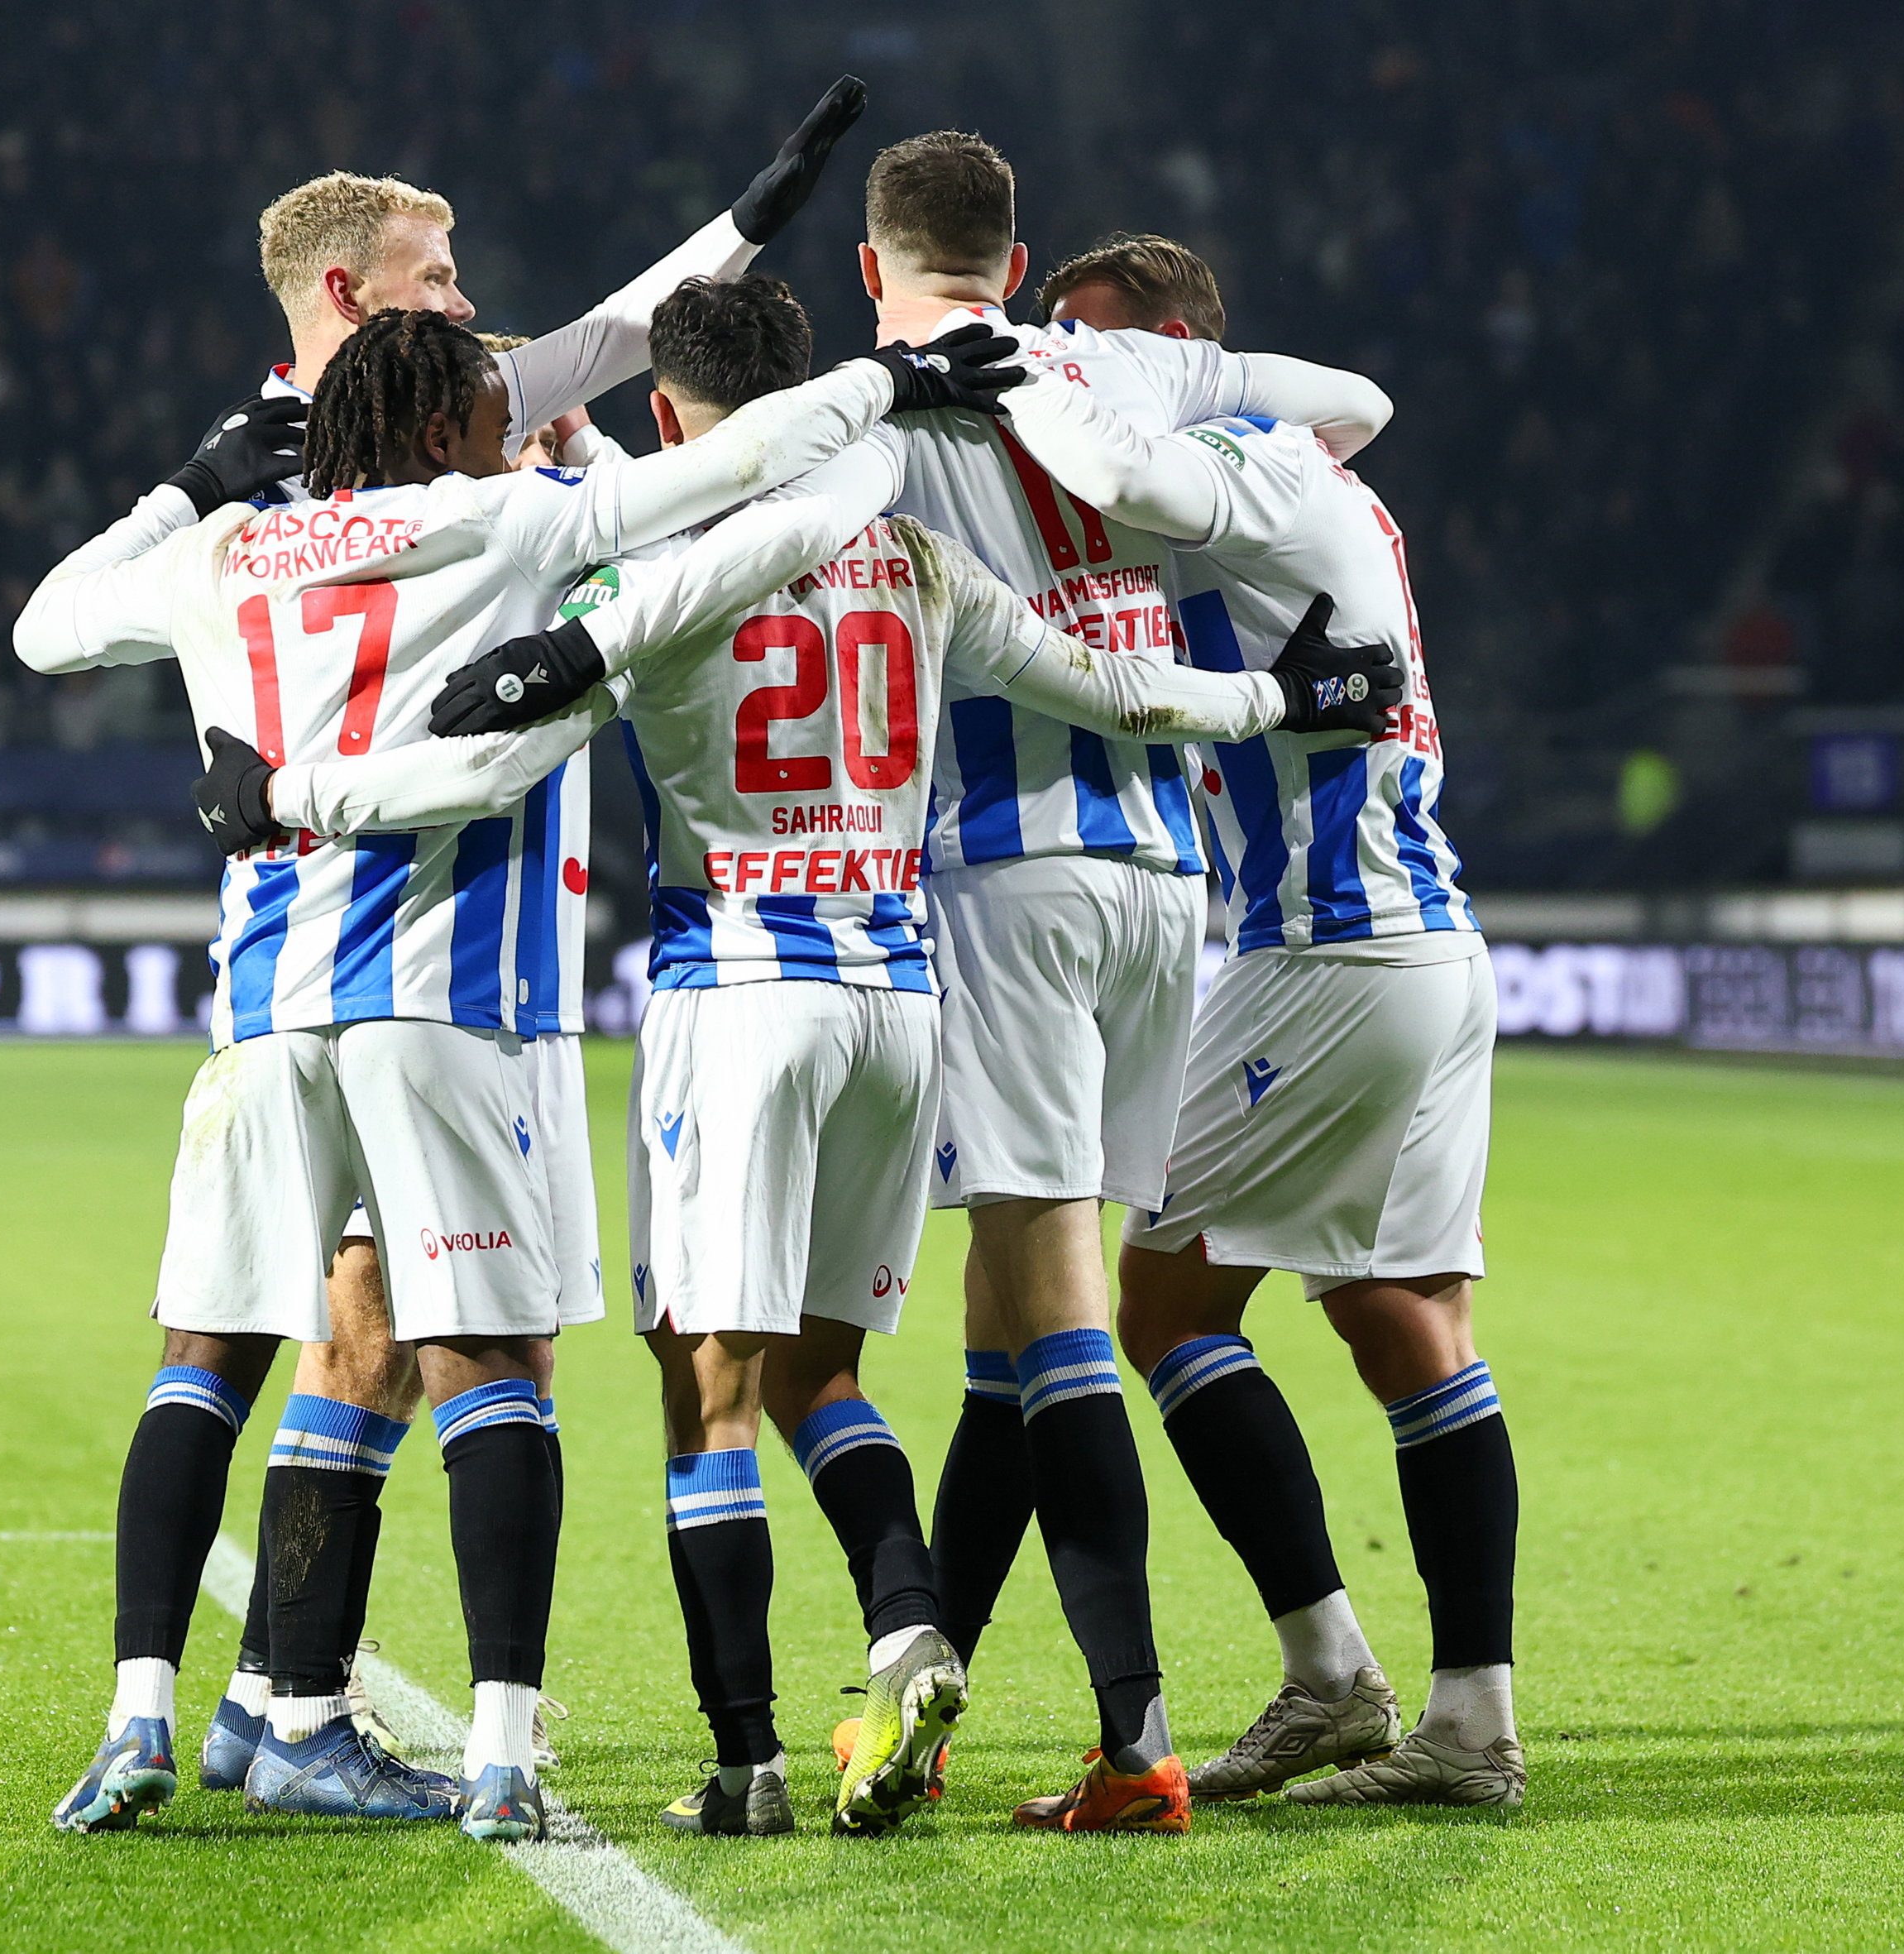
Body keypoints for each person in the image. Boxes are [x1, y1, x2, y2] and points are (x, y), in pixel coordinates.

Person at [16, 300, 1020, 1840]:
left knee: (204, 1359)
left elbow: (47, 625)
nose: (517, 413)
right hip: (447, 994)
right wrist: (881, 392)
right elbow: (737, 500)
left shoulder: (225, 555)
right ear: (441, 430)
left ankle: (150, 1716)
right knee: (494, 1367)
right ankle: (495, 1754)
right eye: (491, 400)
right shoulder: (510, 523)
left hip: (264, 1003)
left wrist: (189, 487)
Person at [430, 275, 1393, 1837]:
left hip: (736, 986)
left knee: (705, 1387)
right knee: (825, 1367)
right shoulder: (918, 553)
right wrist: (1290, 695)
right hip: (898, 995)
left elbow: (527, 705)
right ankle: (911, 1631)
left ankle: (743, 1763)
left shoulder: (656, 548)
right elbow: (1115, 686)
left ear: (671, 419)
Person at [847, 131, 1391, 1834]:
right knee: (1009, 1334)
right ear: (1015, 261)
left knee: (1057, 1311)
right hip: (1169, 879)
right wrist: (1189, 389)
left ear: (877, 266)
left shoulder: (878, 404)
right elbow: (1344, 407)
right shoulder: (1121, 370)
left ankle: (1134, 1741)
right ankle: (920, 1694)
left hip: (1008, 875)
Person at [994, 233, 1519, 1808]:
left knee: (1151, 1311)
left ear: (1168, 346)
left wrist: (1013, 372)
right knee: (1401, 1323)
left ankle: (1328, 1675)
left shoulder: (1241, 461)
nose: (1065, 360)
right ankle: (1472, 1726)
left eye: (1089, 338)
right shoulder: (1318, 475)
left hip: (1329, 949)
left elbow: (1132, 480)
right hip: (1423, 944)